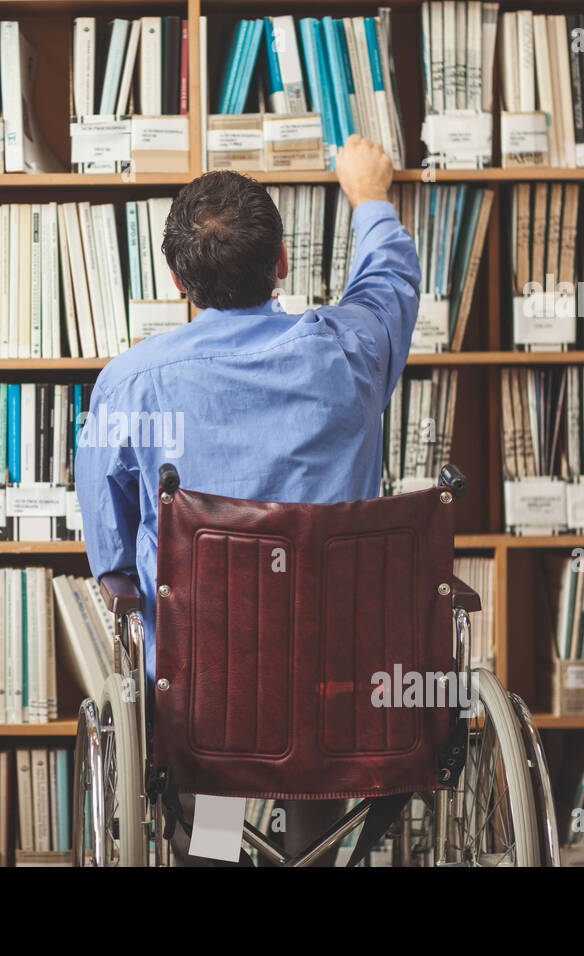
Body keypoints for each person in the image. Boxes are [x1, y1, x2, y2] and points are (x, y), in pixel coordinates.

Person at [74, 135, 421, 865]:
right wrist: (370, 199)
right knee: (318, 768)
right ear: (283, 263)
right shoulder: (350, 354)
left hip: (205, 694)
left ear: (177, 280)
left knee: (214, 802)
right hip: (340, 686)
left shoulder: (131, 385)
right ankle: (313, 853)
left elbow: (112, 560)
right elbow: (388, 283)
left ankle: (218, 851)